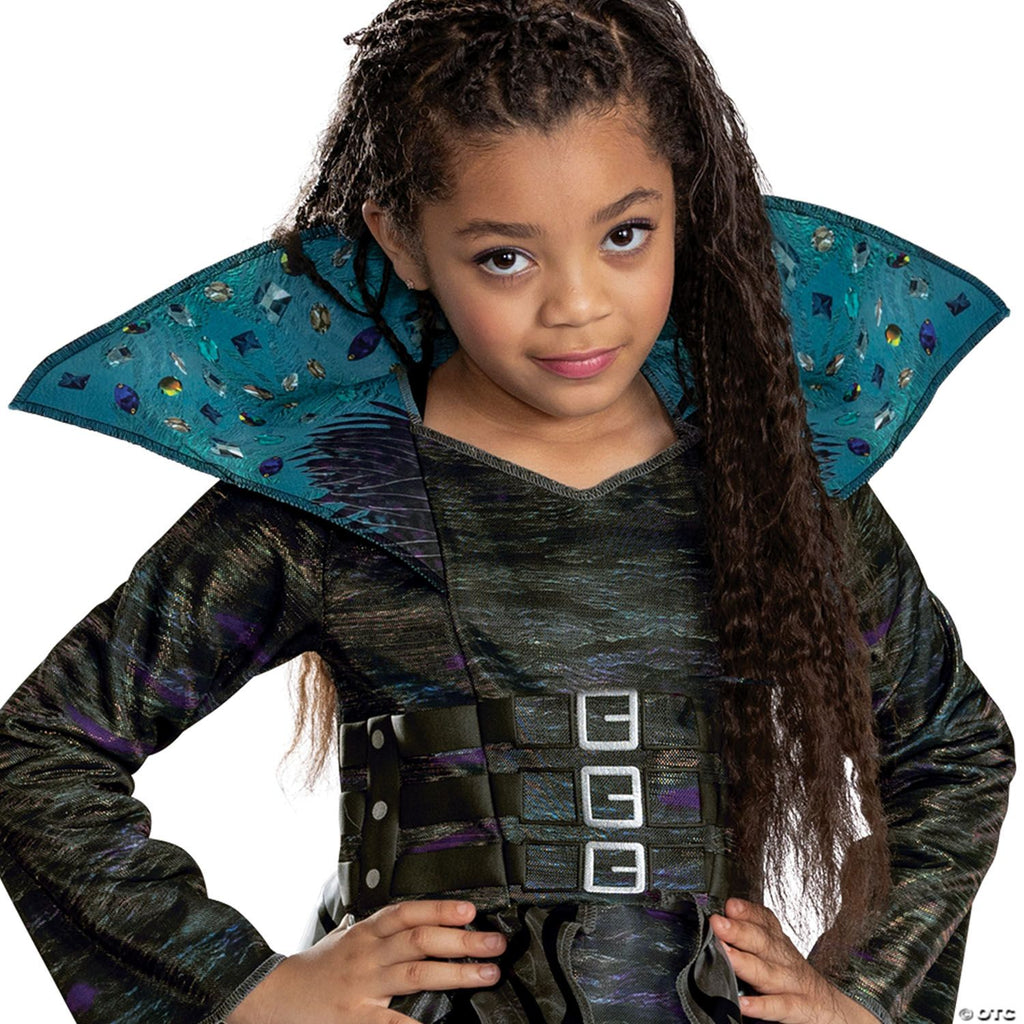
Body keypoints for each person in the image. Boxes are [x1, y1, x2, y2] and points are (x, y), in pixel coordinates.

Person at [0, 2, 1016, 1023]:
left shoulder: (772, 480)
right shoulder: (331, 499)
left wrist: (864, 995)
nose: (578, 304)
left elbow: (953, 749)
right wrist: (243, 985)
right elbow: (40, 752)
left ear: (685, 206)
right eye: (504, 257)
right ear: (402, 240)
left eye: (625, 235)